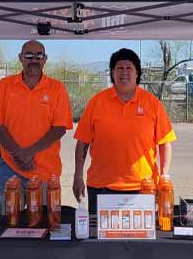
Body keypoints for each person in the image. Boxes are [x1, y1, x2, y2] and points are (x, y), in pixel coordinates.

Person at [73, 48, 176, 212]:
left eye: (129, 68)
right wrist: (78, 176)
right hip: (101, 188)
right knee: (98, 230)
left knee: (142, 230)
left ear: (137, 73)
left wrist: (164, 176)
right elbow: (82, 142)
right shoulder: (97, 102)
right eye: (119, 68)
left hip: (143, 189)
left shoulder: (152, 104)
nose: (124, 73)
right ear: (112, 73)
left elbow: (165, 143)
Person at [0, 40, 73, 194]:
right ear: (20, 58)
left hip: (45, 172)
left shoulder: (57, 88)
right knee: (6, 210)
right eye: (29, 55)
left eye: (39, 56)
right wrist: (18, 154)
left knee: (45, 211)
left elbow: (59, 128)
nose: (34, 60)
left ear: (45, 59)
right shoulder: (5, 85)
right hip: (9, 169)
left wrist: (30, 152)